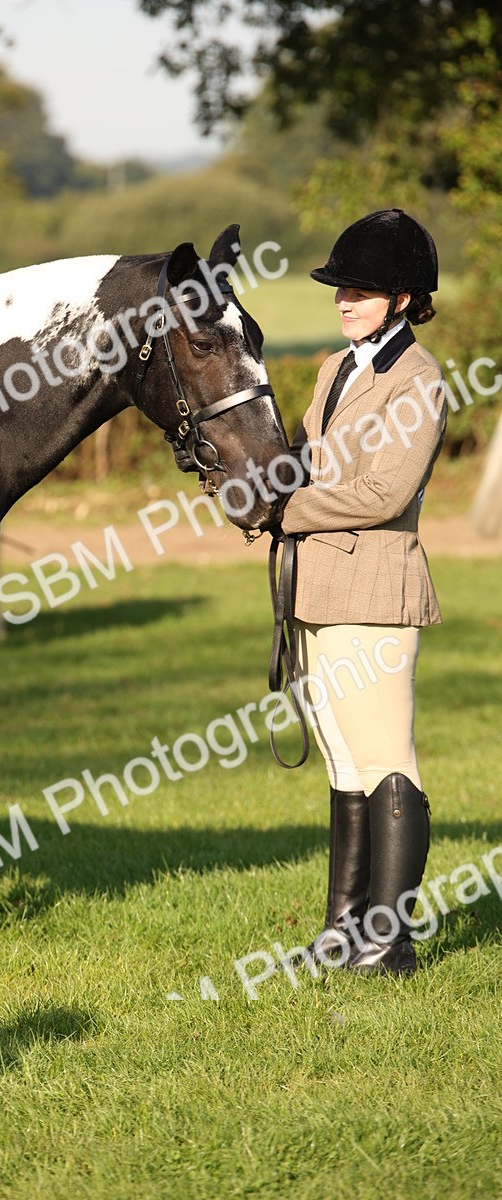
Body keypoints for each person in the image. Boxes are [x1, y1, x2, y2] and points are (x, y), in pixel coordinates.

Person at [281, 208, 446, 976]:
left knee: (386, 759)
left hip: (375, 588)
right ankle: (342, 931)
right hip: (317, 585)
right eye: (340, 288)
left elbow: (384, 493)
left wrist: (285, 507)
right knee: (344, 764)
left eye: (362, 290)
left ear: (404, 298)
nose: (344, 300)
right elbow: (310, 458)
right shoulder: (335, 367)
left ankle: (392, 939)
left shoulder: (421, 380)